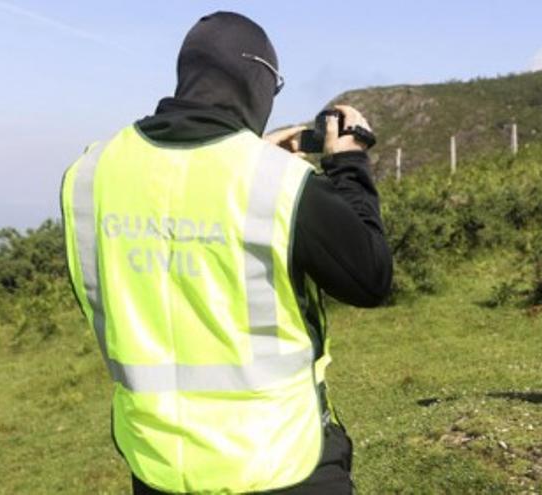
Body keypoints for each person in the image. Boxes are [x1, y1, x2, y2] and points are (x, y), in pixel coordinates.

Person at [60, 11, 392, 494]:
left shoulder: (88, 175)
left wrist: (251, 153)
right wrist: (349, 163)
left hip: (156, 467)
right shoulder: (276, 184)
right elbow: (371, 276)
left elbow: (170, 227)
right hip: (281, 465)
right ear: (258, 81)